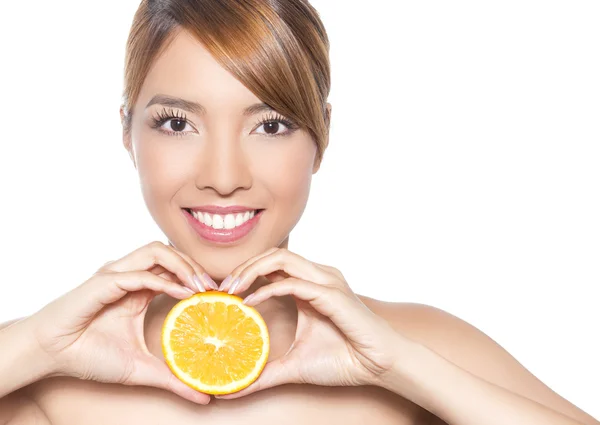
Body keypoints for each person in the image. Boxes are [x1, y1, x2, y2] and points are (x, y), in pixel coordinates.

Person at [0, 0, 598, 424]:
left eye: (271, 124)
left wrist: (404, 368)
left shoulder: (418, 348)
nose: (224, 176)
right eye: (178, 123)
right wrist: (32, 346)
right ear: (127, 133)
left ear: (322, 137)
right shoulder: (45, 375)